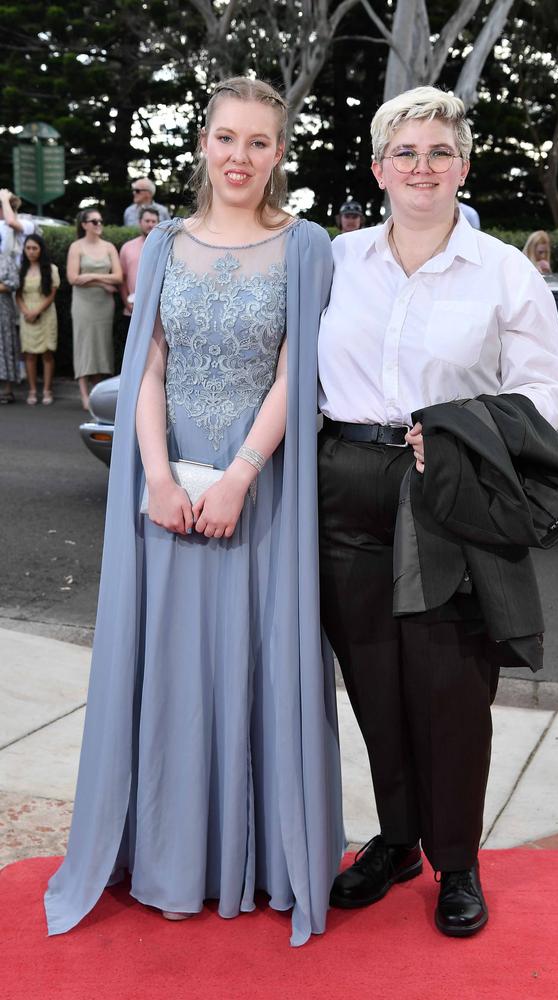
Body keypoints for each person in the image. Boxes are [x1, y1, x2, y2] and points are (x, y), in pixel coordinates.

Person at [44, 76, 343, 948]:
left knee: (259, 666)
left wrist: (242, 474)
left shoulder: (308, 245)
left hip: (262, 497)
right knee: (171, 675)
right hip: (168, 497)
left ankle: (260, 864)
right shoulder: (166, 241)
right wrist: (158, 479)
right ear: (202, 144)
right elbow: (149, 367)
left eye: (259, 142)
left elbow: (301, 372)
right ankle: (174, 861)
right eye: (226, 139)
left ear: (280, 154)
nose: (240, 157)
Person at [317, 86, 558, 938]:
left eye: (439, 152)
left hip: (447, 492)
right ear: (381, 166)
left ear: (463, 164)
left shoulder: (504, 271)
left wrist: (465, 439)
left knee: (451, 685)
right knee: (374, 682)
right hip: (346, 477)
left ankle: (456, 862)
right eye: (405, 152)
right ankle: (396, 842)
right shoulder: (337, 261)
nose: (421, 167)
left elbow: (545, 394)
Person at [67, 207, 122, 409]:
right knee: (83, 344)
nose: (99, 225)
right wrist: (101, 283)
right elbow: (73, 278)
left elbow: (118, 277)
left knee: (100, 346)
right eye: (94, 222)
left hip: (104, 305)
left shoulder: (108, 247)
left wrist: (90, 276)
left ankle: (97, 390)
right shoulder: (76, 247)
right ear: (84, 225)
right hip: (83, 304)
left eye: (100, 221)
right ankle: (83, 394)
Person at [16, 234, 59, 405]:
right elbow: (18, 295)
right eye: (28, 248)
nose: (31, 252)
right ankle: (32, 390)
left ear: (41, 249)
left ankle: (47, 390)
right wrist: (26, 311)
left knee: (47, 354)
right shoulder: (21, 269)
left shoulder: (51, 269)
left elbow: (52, 294)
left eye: (35, 248)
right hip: (26, 315)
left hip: (46, 314)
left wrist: (37, 311)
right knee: (29, 355)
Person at [119, 205, 159, 335]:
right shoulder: (127, 247)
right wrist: (126, 303)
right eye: (147, 221)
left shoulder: (164, 248)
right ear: (140, 222)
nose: (150, 224)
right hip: (132, 309)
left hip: (157, 312)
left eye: (154, 221)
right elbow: (122, 279)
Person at [0, 250, 19, 402]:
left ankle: (7, 389)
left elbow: (14, 282)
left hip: (3, 311)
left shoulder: (6, 259)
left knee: (5, 346)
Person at [0, 189, 36, 265]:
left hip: (20, 272)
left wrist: (4, 200)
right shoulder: (1, 225)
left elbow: (11, 222)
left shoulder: (27, 223)